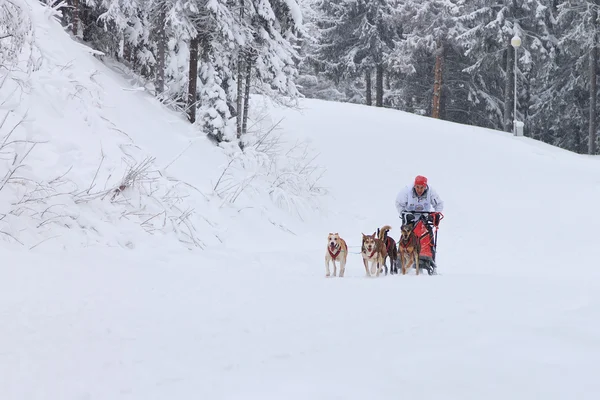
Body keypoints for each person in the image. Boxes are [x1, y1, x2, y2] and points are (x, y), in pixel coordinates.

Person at [395, 175, 444, 274]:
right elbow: (398, 203)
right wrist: (404, 213)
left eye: (422, 187)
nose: (419, 190)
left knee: (427, 238)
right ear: (414, 185)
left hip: (425, 218)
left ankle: (427, 258)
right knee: (406, 239)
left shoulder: (431, 192)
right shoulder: (406, 191)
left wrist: (436, 215)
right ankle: (402, 261)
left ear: (425, 186)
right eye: (417, 187)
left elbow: (439, 204)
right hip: (410, 219)